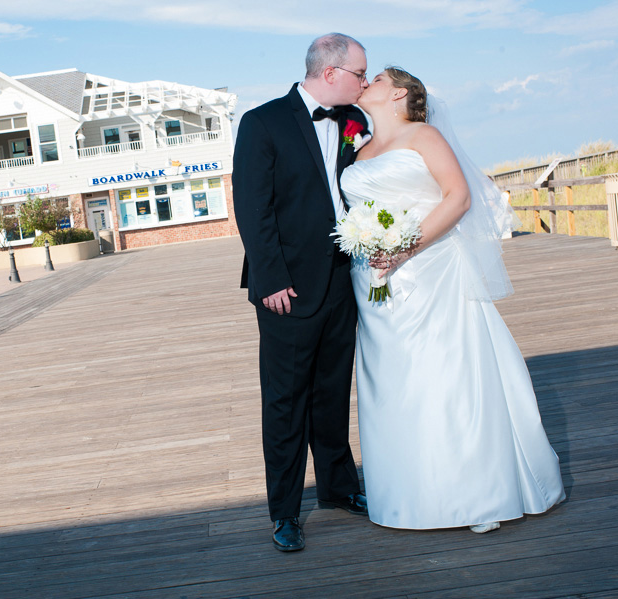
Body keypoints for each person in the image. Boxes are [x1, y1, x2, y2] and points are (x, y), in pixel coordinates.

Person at [341, 67, 565, 533]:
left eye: (377, 77)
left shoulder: (424, 136)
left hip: (429, 270)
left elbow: (458, 197)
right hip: (373, 279)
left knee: (444, 374)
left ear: (399, 92)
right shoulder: (358, 150)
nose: (368, 81)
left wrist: (404, 248)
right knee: (393, 384)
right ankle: (407, 493)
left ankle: (471, 493)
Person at [232, 33, 372, 552]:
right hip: (286, 288)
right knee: (286, 403)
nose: (365, 81)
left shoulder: (356, 124)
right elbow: (253, 206)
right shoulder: (262, 122)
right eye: (360, 73)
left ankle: (338, 489)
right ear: (331, 72)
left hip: (343, 279)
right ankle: (285, 512)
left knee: (333, 392)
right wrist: (270, 279)